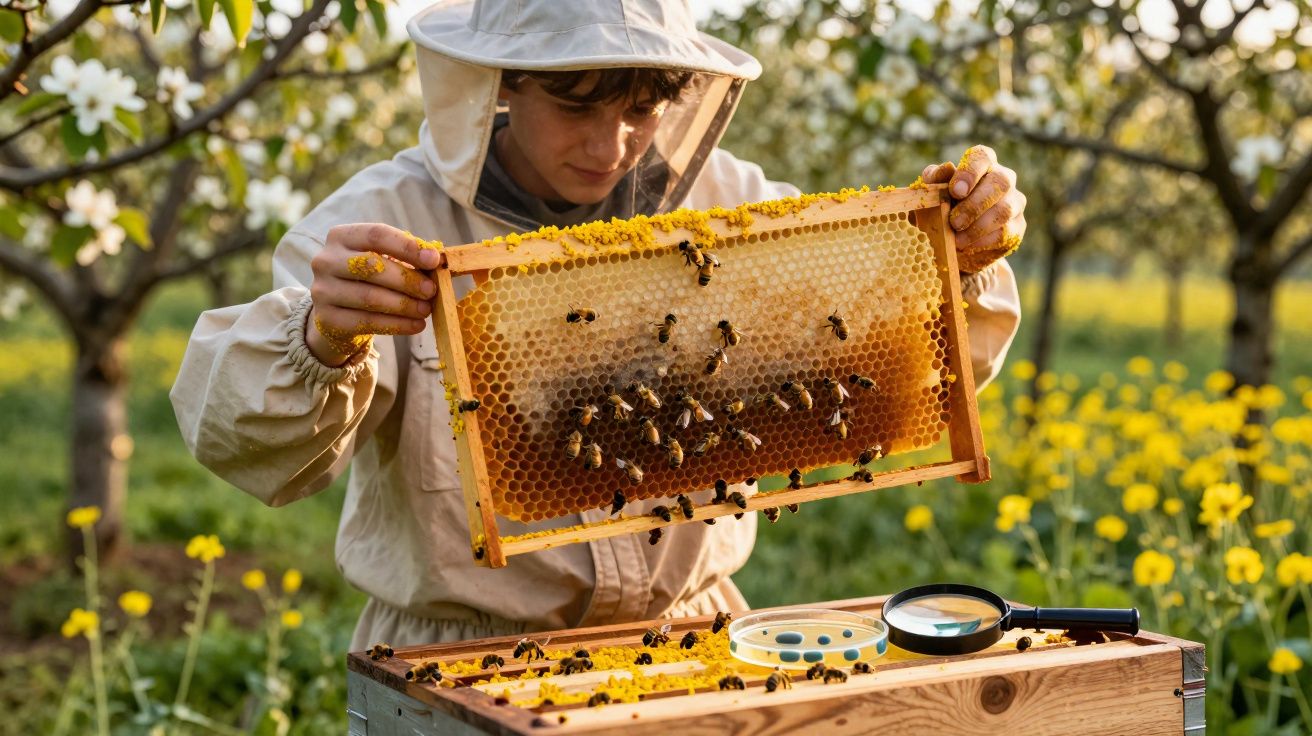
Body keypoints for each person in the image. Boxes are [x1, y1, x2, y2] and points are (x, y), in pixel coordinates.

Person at [171, 0, 1024, 651]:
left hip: (694, 636)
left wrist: (961, 256)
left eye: (641, 109)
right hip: (464, 653)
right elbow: (244, 442)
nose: (611, 145)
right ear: (505, 82)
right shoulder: (385, 225)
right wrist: (322, 338)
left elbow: (892, 360)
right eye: (576, 106)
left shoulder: (732, 204)